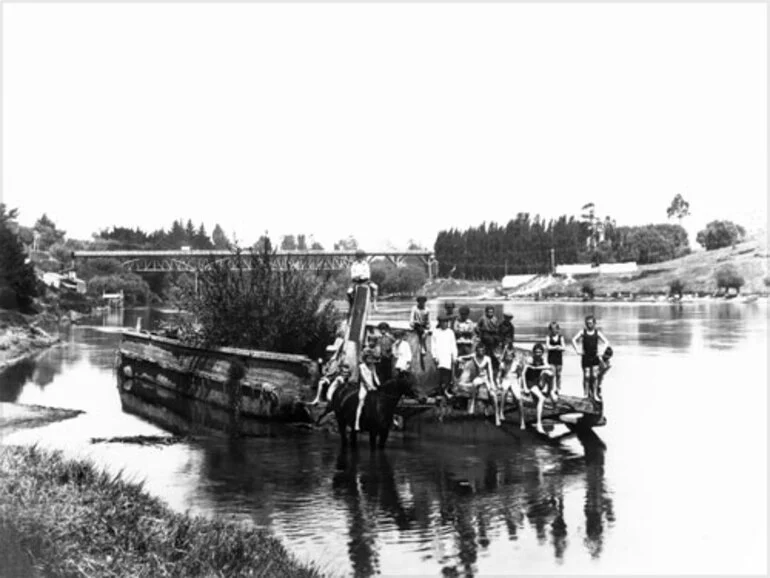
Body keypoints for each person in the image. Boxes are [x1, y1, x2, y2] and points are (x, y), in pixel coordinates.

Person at [572, 315, 611, 402]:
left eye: (590, 323)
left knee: (594, 376)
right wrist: (577, 350)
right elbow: (573, 340)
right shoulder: (583, 332)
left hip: (594, 356)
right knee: (586, 376)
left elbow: (606, 342)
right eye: (587, 323)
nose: (589, 325)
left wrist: (601, 351)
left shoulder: (597, 333)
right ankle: (585, 394)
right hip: (585, 356)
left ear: (594, 324)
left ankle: (595, 395)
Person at [521, 342, 556, 434]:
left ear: (542, 353)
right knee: (541, 398)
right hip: (530, 383)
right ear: (533, 352)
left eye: (540, 352)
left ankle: (551, 391)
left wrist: (538, 368)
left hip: (538, 381)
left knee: (549, 373)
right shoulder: (530, 360)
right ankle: (539, 424)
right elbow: (523, 374)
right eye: (536, 352)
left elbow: (549, 367)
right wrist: (525, 387)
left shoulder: (542, 360)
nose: (538, 354)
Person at [459, 342, 494, 416]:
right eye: (479, 350)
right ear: (477, 351)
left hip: (485, 378)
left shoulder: (487, 359)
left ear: (484, 351)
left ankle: (488, 406)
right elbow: (466, 357)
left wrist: (492, 382)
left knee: (490, 390)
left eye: (482, 350)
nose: (481, 352)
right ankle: (472, 403)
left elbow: (490, 371)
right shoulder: (474, 356)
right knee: (474, 383)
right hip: (479, 377)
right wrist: (459, 358)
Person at [496, 348, 526, 429]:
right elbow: (499, 376)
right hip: (506, 379)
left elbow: (520, 375)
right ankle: (501, 412)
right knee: (504, 391)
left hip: (514, 381)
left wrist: (521, 386)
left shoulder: (516, 364)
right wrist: (498, 383)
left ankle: (522, 420)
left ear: (513, 357)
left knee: (519, 399)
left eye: (510, 356)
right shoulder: (502, 364)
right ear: (505, 356)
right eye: (507, 356)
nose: (508, 358)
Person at [431, 314, 458, 398]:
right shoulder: (436, 332)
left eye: (446, 322)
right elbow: (433, 345)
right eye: (443, 322)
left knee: (448, 374)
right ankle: (439, 391)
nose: (445, 324)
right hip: (439, 356)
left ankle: (446, 390)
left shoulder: (450, 332)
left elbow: (453, 345)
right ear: (440, 323)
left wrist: (454, 356)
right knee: (439, 374)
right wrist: (434, 356)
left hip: (447, 356)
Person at [355, 349, 380, 431]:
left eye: (371, 358)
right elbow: (363, 378)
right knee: (361, 401)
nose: (370, 360)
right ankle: (357, 423)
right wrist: (369, 386)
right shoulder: (361, 366)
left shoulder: (373, 366)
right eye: (368, 358)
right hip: (364, 386)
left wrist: (379, 384)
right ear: (365, 359)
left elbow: (375, 376)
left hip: (372, 386)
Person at [475, 305, 500, 375]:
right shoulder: (482, 318)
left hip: (493, 335)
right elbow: (477, 327)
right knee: (486, 348)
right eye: (489, 312)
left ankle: (494, 365)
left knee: (494, 347)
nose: (490, 313)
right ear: (486, 312)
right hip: (485, 335)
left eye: (492, 312)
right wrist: (479, 332)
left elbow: (497, 328)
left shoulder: (495, 319)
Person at [544, 321, 566, 395]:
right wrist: (556, 347)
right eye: (552, 329)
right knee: (552, 374)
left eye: (555, 329)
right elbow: (548, 347)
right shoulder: (548, 337)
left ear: (557, 329)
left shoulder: (561, 337)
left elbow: (564, 347)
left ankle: (558, 388)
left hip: (559, 358)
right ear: (550, 330)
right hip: (551, 358)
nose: (553, 330)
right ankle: (551, 389)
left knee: (558, 374)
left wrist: (558, 347)